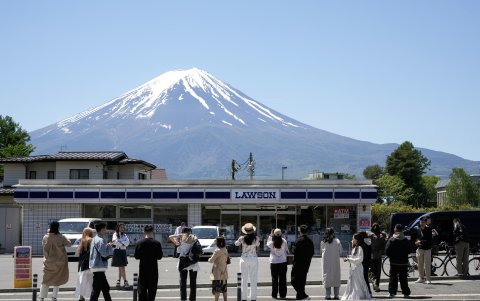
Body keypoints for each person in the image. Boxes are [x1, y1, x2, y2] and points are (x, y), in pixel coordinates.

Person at [39, 221, 72, 301]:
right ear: (58, 227)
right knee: (57, 280)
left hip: (48, 262)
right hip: (60, 261)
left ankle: (42, 297)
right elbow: (69, 244)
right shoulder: (61, 237)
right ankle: (54, 297)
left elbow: (44, 247)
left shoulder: (46, 237)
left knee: (45, 280)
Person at [169, 227, 202, 301]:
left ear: (182, 232)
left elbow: (170, 237)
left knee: (183, 281)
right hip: (192, 262)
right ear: (190, 231)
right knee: (193, 282)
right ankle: (192, 299)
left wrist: (178, 238)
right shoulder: (194, 238)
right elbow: (199, 249)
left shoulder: (181, 239)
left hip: (183, 262)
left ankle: (183, 298)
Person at [134, 225, 163, 301]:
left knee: (142, 291)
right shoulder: (157, 243)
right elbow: (159, 256)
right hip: (153, 270)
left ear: (144, 232)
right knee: (152, 291)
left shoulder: (139, 243)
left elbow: (136, 256)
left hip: (143, 270)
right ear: (152, 232)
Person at [341, 233, 371, 300]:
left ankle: (359, 296)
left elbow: (360, 259)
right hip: (354, 268)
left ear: (357, 240)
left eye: (353, 238)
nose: (352, 240)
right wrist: (349, 257)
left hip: (358, 268)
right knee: (354, 283)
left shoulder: (360, 247)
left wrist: (349, 259)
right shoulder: (356, 247)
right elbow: (355, 257)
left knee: (358, 283)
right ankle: (355, 295)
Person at [89, 222, 115, 301]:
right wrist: (110, 247)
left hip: (96, 265)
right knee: (96, 290)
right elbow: (104, 254)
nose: (106, 230)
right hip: (98, 266)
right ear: (102, 229)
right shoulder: (101, 240)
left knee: (105, 288)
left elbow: (101, 250)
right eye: (105, 228)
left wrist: (107, 246)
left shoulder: (95, 239)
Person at [235, 223, 260, 301]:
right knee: (253, 279)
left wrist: (240, 240)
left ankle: (244, 297)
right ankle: (253, 298)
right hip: (254, 258)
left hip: (244, 259)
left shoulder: (242, 238)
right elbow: (258, 245)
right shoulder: (256, 238)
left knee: (244, 279)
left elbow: (236, 244)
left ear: (245, 231)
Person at [385, 224, 411, 299]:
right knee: (403, 278)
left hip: (394, 262)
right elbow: (409, 250)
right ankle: (406, 293)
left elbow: (387, 251)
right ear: (402, 230)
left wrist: (391, 256)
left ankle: (392, 292)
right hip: (403, 262)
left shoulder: (392, 239)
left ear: (395, 230)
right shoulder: (405, 240)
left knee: (393, 277)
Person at [291, 224, 314, 300]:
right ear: (307, 231)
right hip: (306, 264)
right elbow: (312, 253)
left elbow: (293, 251)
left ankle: (303, 295)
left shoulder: (298, 241)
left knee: (294, 281)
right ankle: (300, 296)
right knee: (302, 281)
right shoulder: (310, 241)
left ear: (300, 231)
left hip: (297, 264)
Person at [321, 228, 342, 300]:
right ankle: (336, 295)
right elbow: (341, 251)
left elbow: (321, 250)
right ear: (333, 233)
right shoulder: (337, 241)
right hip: (335, 262)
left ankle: (328, 295)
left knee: (327, 277)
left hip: (326, 262)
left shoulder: (323, 242)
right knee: (336, 277)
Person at [267, 228, 288, 299]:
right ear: (281, 234)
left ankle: (274, 294)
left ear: (274, 234)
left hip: (274, 262)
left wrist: (270, 235)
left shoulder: (271, 243)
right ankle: (283, 294)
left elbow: (267, 243)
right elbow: (286, 250)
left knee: (274, 279)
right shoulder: (284, 241)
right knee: (283, 279)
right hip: (283, 261)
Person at [75, 227, 94, 301]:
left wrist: (79, 267)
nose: (82, 234)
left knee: (82, 282)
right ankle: (93, 297)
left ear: (87, 233)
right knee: (91, 282)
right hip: (91, 265)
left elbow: (82, 255)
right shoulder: (92, 240)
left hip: (84, 265)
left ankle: (81, 297)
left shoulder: (85, 240)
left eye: (84, 232)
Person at [208, 236, 229, 301]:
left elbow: (211, 260)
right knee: (224, 289)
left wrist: (209, 258)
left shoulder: (217, 251)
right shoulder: (225, 249)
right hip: (224, 271)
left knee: (217, 289)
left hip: (217, 272)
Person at [112, 222, 130, 289]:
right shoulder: (115, 234)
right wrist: (123, 243)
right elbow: (114, 242)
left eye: (123, 227)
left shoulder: (124, 235)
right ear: (118, 227)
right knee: (121, 267)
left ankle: (119, 281)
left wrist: (120, 243)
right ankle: (125, 281)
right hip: (117, 251)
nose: (122, 228)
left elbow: (127, 243)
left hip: (123, 251)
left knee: (121, 267)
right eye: (121, 227)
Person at [415, 216, 432, 284]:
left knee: (427, 264)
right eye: (420, 222)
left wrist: (420, 242)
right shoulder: (418, 229)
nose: (421, 223)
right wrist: (416, 242)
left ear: (425, 222)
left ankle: (428, 279)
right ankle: (421, 278)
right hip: (420, 248)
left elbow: (429, 240)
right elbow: (417, 238)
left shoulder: (428, 229)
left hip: (427, 249)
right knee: (420, 264)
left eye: (422, 222)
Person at [369, 223, 386, 292]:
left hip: (371, 255)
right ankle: (377, 284)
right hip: (378, 255)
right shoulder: (382, 236)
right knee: (378, 271)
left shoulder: (370, 236)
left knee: (372, 271)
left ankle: (374, 284)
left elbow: (368, 246)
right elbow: (384, 246)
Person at [358, 231, 372, 296]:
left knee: (362, 278)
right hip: (367, 262)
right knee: (365, 278)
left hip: (362, 263)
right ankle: (369, 292)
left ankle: (366, 292)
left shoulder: (362, 244)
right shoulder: (369, 242)